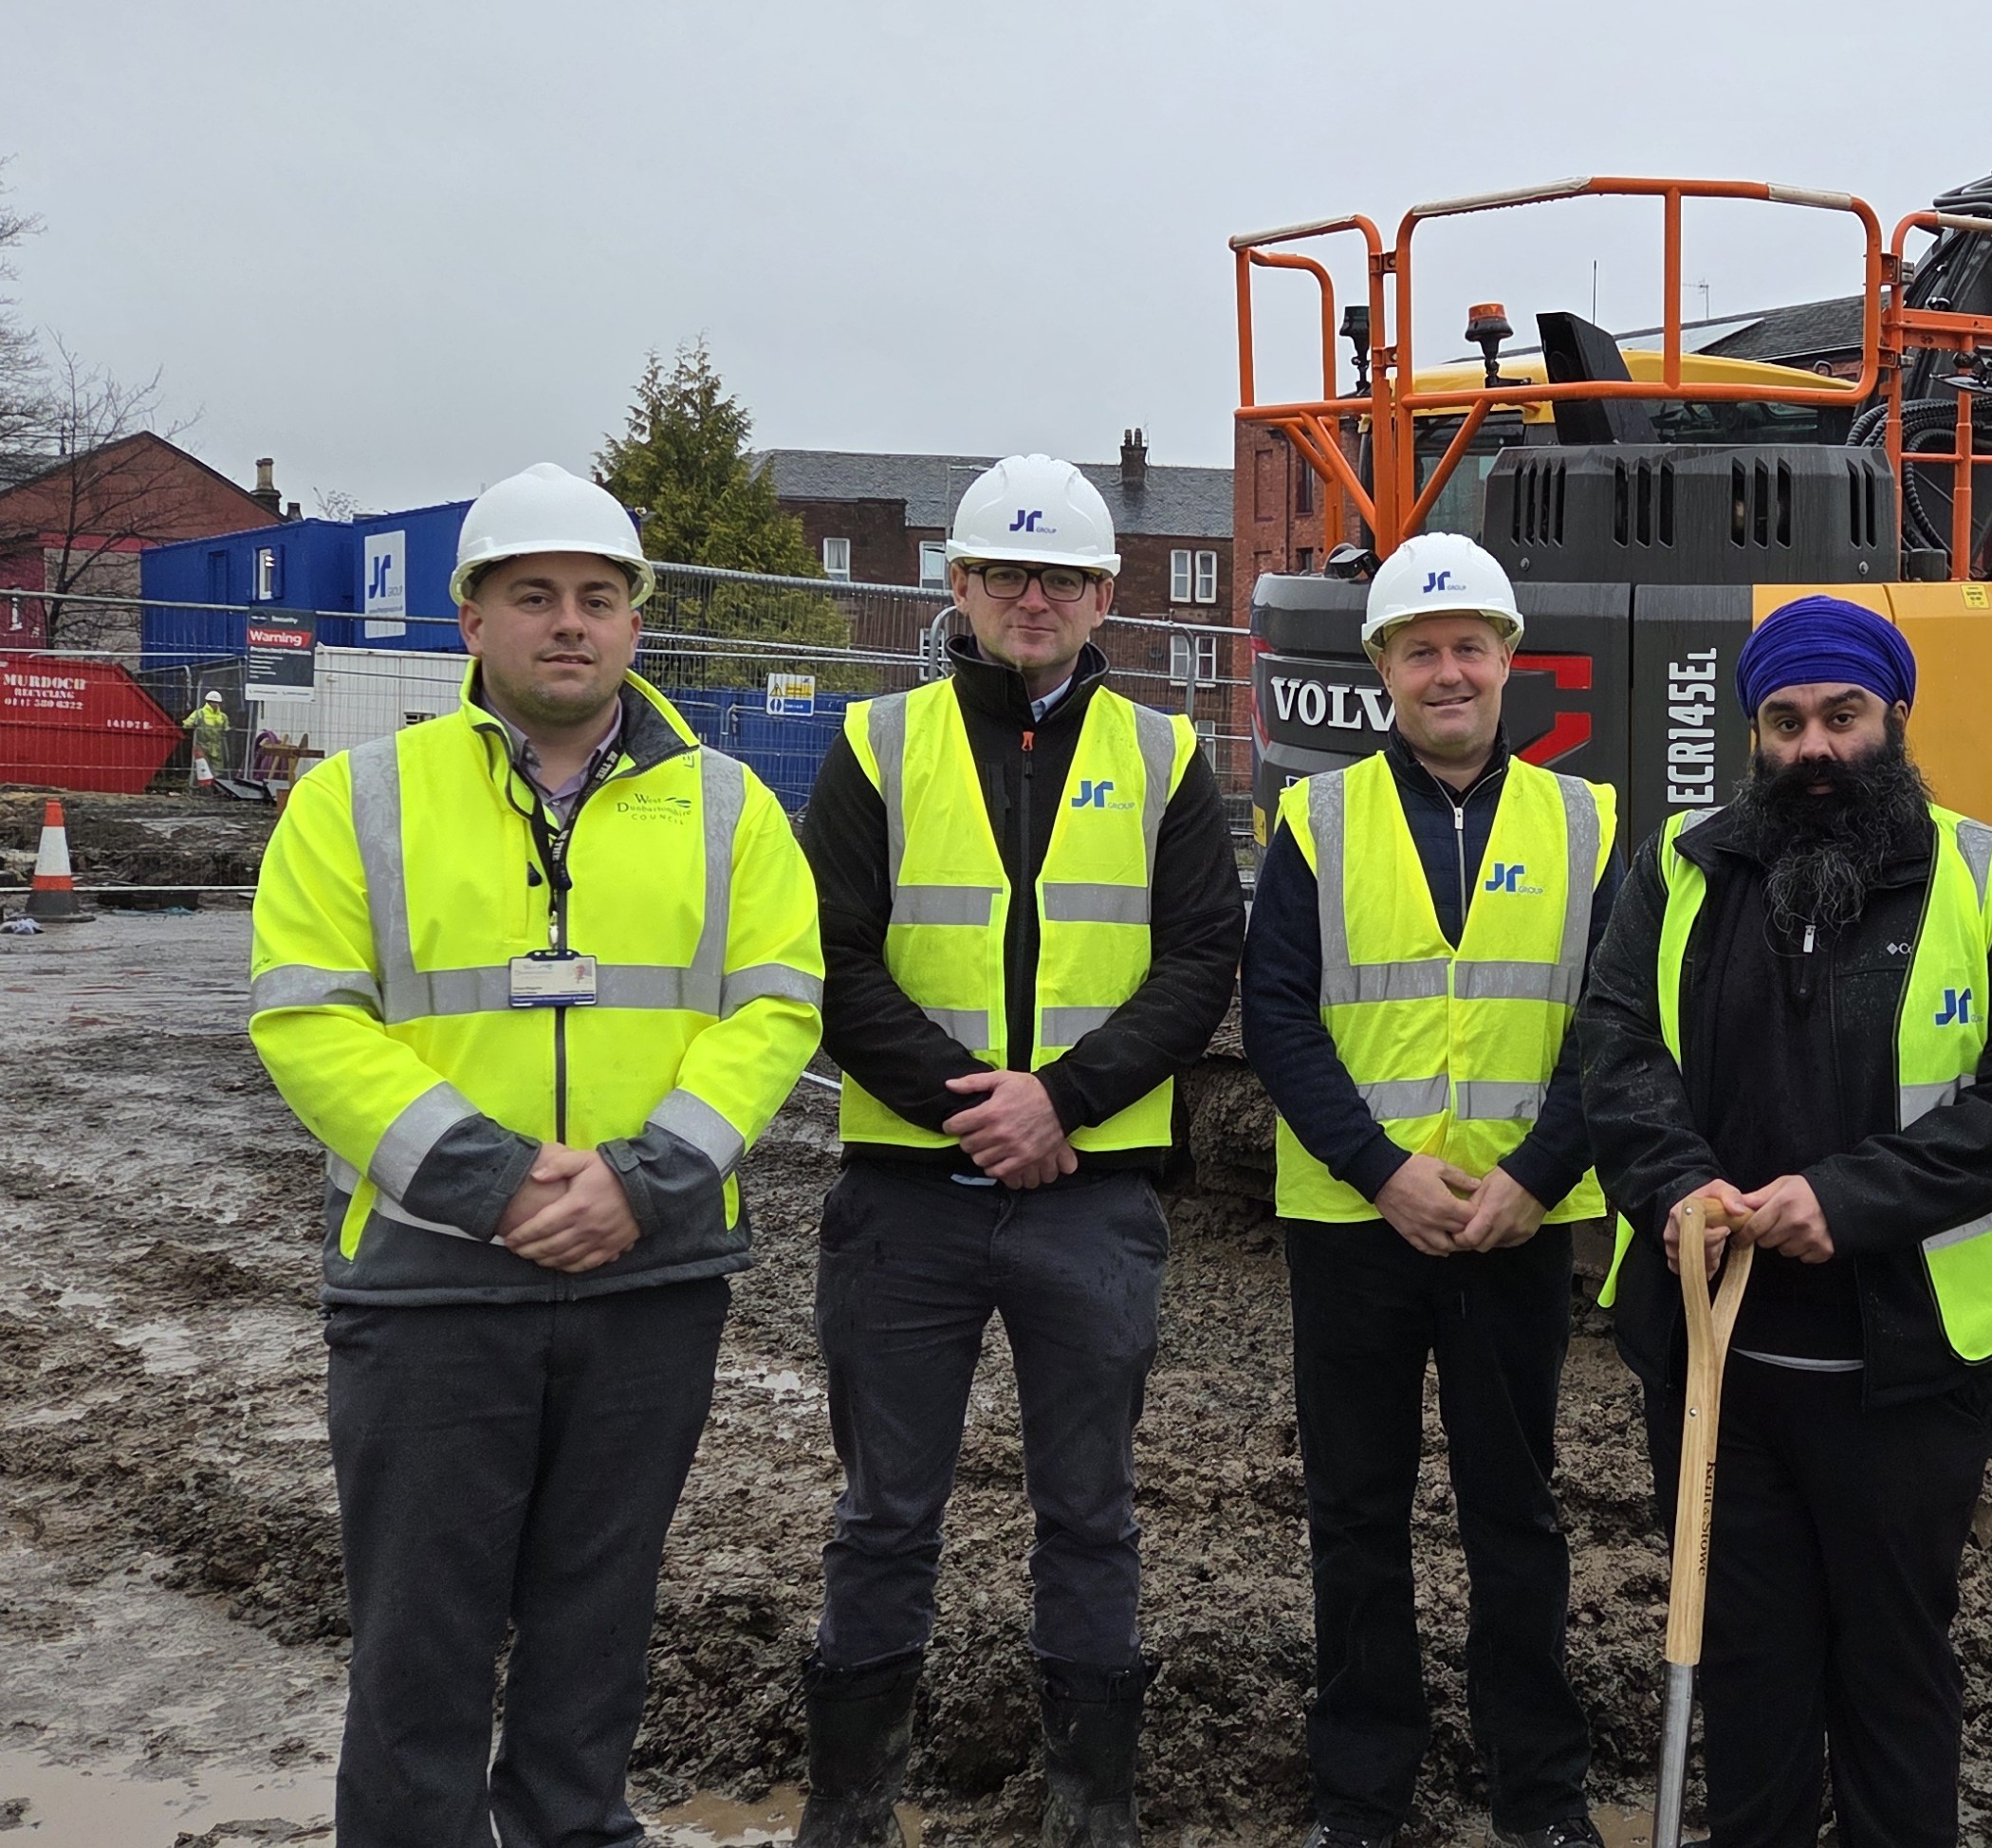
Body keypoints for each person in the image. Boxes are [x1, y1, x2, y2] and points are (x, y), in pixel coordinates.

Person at [248, 462, 823, 1846]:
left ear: (634, 624)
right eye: (534, 596)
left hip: (649, 1278)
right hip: (431, 1287)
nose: (569, 622)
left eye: (597, 598)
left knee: (597, 1626)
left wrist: (643, 1180)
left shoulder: (732, 809)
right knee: (417, 1652)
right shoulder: (356, 800)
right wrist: (494, 1182)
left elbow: (775, 1007)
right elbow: (307, 1018)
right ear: (472, 622)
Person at [1582, 594, 1992, 1848]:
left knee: (1890, 1663)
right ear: (1755, 733)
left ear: (1892, 719)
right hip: (1720, 1359)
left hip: (1904, 1369)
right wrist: (1674, 1182)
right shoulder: (1677, 873)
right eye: (1786, 719)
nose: (1814, 746)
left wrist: (1848, 1200)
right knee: (1746, 1661)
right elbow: (1611, 1049)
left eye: (1841, 716)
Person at [795, 454, 1243, 1848]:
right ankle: (847, 1805)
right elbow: (833, 956)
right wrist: (965, 1100)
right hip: (905, 1199)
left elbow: (1196, 963)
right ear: (960, 585)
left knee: (1092, 1512)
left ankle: (1089, 1806)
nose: (1031, 599)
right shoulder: (877, 743)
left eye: (1058, 577)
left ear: (1105, 593)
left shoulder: (1166, 755)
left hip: (1090, 1199)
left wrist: (1060, 1098)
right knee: (883, 1514)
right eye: (1004, 573)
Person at [1241, 530, 1616, 1848]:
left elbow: (1611, 1029)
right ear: (1381, 669)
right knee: (1355, 1515)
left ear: (1509, 659)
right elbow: (1276, 1013)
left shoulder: (1586, 822)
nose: (1445, 670)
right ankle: (1360, 1790)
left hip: (1515, 1228)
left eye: (1469, 645)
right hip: (1356, 1227)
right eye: (1419, 649)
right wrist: (1382, 1170)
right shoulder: (1316, 819)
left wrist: (1533, 1176)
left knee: (1515, 1512)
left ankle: (1540, 1792)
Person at [188, 688, 233, 786]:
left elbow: (226, 730)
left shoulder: (223, 716)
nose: (215, 704)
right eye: (212, 702)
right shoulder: (199, 713)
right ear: (207, 702)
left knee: (217, 771)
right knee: (201, 770)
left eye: (217, 702)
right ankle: (197, 789)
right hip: (201, 747)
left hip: (216, 748)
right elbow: (187, 724)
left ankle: (214, 789)